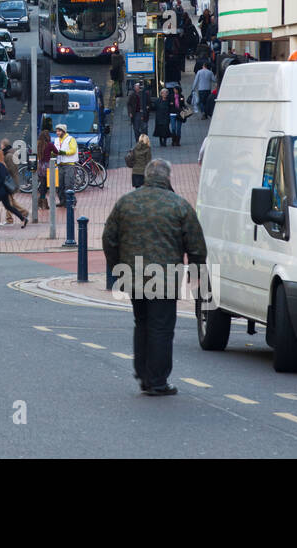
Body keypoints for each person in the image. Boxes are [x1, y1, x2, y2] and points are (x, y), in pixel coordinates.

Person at [102, 158, 207, 396]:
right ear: (168, 177)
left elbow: (109, 238)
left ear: (147, 176)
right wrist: (196, 269)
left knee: (142, 323)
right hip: (165, 277)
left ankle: (143, 374)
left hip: (133, 275)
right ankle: (157, 380)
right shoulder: (179, 205)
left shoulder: (126, 203)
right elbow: (196, 243)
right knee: (161, 327)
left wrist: (116, 267)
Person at [0, 143, 29, 227]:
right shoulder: (10, 153)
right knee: (11, 201)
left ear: (4, 145)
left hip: (9, 183)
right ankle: (24, 212)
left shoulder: (8, 156)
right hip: (11, 182)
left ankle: (9, 220)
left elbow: (10, 170)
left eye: (1, 145)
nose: (0, 147)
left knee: (8, 202)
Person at [52, 124, 78, 204]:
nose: (57, 133)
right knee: (60, 185)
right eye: (56, 131)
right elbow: (54, 149)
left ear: (63, 131)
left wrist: (63, 152)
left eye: (59, 131)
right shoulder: (56, 140)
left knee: (68, 184)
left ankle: (71, 202)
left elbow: (73, 150)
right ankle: (62, 201)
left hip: (69, 164)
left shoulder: (71, 139)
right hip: (60, 165)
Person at [35, 124, 53, 215]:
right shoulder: (49, 145)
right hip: (47, 166)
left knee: (42, 183)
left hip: (40, 166)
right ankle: (43, 203)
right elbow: (56, 152)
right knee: (46, 185)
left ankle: (40, 202)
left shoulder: (38, 144)